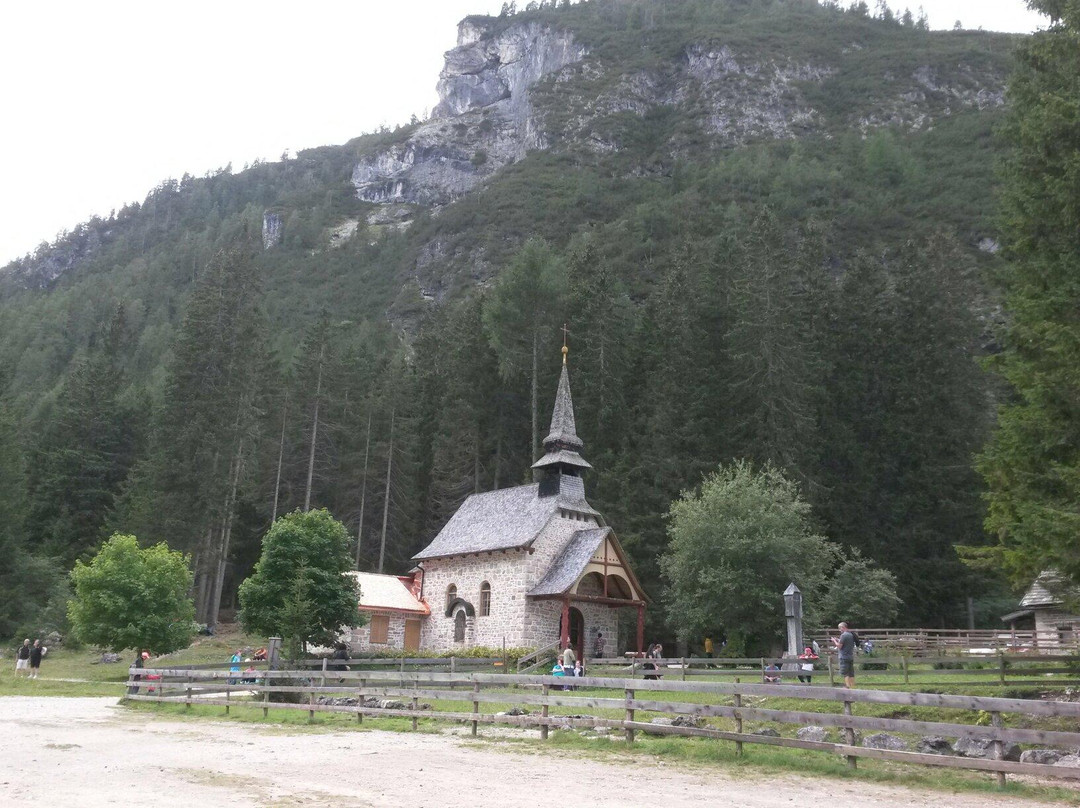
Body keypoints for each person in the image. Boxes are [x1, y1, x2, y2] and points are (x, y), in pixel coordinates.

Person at [832, 622, 856, 689]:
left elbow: (839, 646)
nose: (840, 630)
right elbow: (845, 643)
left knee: (845, 673)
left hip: (844, 657)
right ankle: (853, 687)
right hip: (850, 656)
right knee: (851, 673)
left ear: (843, 627)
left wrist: (834, 641)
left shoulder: (843, 635)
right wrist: (838, 640)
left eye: (840, 628)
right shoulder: (850, 634)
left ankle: (847, 687)